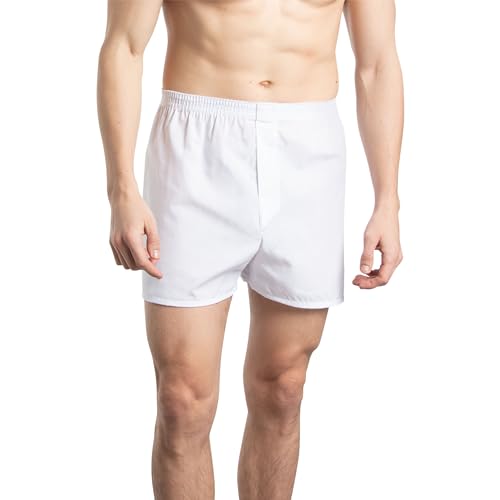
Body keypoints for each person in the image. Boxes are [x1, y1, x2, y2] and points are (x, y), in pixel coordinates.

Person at [97, 0, 404, 498]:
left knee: (284, 386)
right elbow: (124, 47)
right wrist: (121, 189)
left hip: (308, 152)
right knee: (181, 400)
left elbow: (377, 63)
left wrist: (387, 199)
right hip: (195, 147)